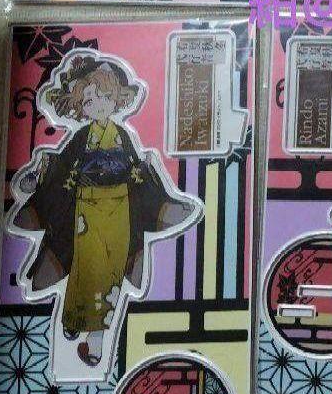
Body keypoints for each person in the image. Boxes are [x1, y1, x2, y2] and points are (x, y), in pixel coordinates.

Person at [11, 53, 197, 367]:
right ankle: (78, 321)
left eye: (101, 97)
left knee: (112, 274)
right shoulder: (81, 138)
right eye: (88, 100)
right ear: (81, 107)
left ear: (114, 99)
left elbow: (137, 174)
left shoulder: (122, 137)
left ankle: (93, 337)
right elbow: (62, 168)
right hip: (87, 212)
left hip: (120, 213)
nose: (95, 104)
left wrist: (152, 179)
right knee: (87, 270)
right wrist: (40, 174)